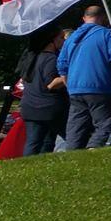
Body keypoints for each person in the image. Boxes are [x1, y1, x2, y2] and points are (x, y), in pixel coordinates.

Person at [60, 5, 111, 150]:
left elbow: (62, 64)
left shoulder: (71, 38)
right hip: (98, 86)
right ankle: (93, 148)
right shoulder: (105, 34)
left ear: (84, 18)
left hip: (75, 89)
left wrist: (67, 83)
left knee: (76, 125)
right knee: (103, 123)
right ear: (102, 18)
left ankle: (71, 152)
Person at [17, 25, 70, 157]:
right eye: (61, 38)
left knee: (33, 142)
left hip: (29, 107)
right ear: (51, 40)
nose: (63, 41)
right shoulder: (51, 59)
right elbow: (50, 84)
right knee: (73, 136)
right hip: (48, 108)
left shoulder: (32, 58)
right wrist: (68, 77)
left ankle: (28, 169)